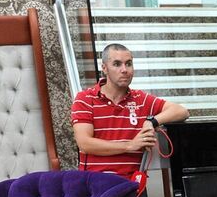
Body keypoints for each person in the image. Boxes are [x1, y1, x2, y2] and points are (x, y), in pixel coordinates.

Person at [72, 43, 189, 182]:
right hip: (94, 185)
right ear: (104, 68)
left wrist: (151, 121)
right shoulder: (85, 98)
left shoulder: (141, 99)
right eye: (117, 64)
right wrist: (130, 145)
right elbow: (85, 143)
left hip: (130, 187)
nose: (124, 70)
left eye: (128, 64)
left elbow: (182, 111)